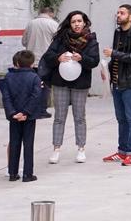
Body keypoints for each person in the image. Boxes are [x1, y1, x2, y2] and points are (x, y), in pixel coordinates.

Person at [39, 10, 100, 165]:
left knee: (79, 117)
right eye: (73, 22)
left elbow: (94, 61)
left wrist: (82, 58)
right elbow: (48, 56)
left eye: (79, 21)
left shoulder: (91, 40)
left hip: (81, 83)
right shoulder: (60, 38)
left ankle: (81, 148)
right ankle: (56, 149)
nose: (76, 24)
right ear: (69, 24)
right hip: (60, 82)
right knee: (59, 117)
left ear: (85, 23)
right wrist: (58, 57)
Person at [102, 3, 131, 166]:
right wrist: (107, 69)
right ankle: (122, 151)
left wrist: (114, 53)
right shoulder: (118, 32)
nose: (118, 15)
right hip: (117, 81)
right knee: (121, 118)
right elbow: (118, 57)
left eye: (122, 13)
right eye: (118, 12)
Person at [0, 49, 43, 183]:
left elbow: (6, 97)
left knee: (14, 143)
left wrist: (13, 113)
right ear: (32, 63)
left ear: (16, 63)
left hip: (14, 116)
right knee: (28, 144)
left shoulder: (8, 77)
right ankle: (28, 174)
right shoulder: (34, 77)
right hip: (28, 116)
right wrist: (26, 112)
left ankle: (12, 173)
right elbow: (36, 97)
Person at [22, 6, 57, 118]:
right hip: (46, 61)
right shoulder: (53, 24)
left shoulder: (30, 24)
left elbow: (24, 41)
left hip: (30, 60)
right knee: (45, 86)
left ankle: (30, 110)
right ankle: (41, 110)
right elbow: (58, 43)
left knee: (31, 86)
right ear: (51, 13)